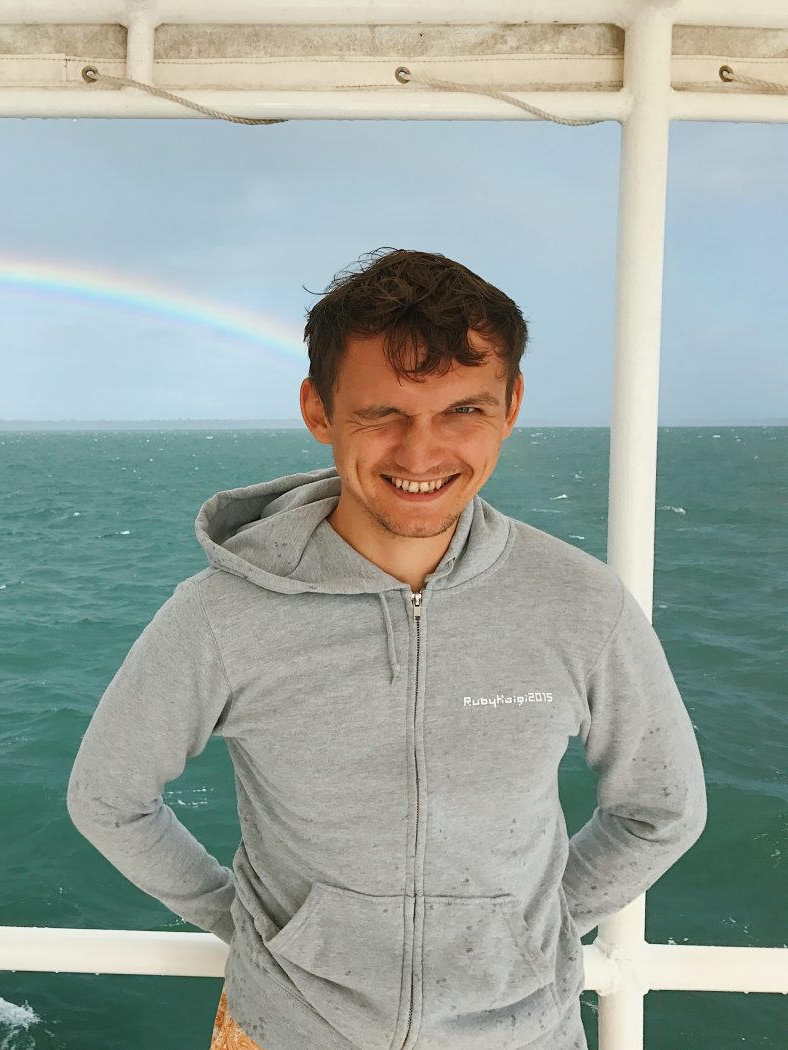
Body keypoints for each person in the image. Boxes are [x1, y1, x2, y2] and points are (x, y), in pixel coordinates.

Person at [65, 248, 708, 1050]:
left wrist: (530, 931)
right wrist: (257, 927)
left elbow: (662, 809)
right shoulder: (219, 614)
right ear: (319, 409)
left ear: (511, 406)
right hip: (281, 1033)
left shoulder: (581, 603)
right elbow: (108, 798)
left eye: (462, 411)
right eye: (383, 414)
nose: (420, 454)